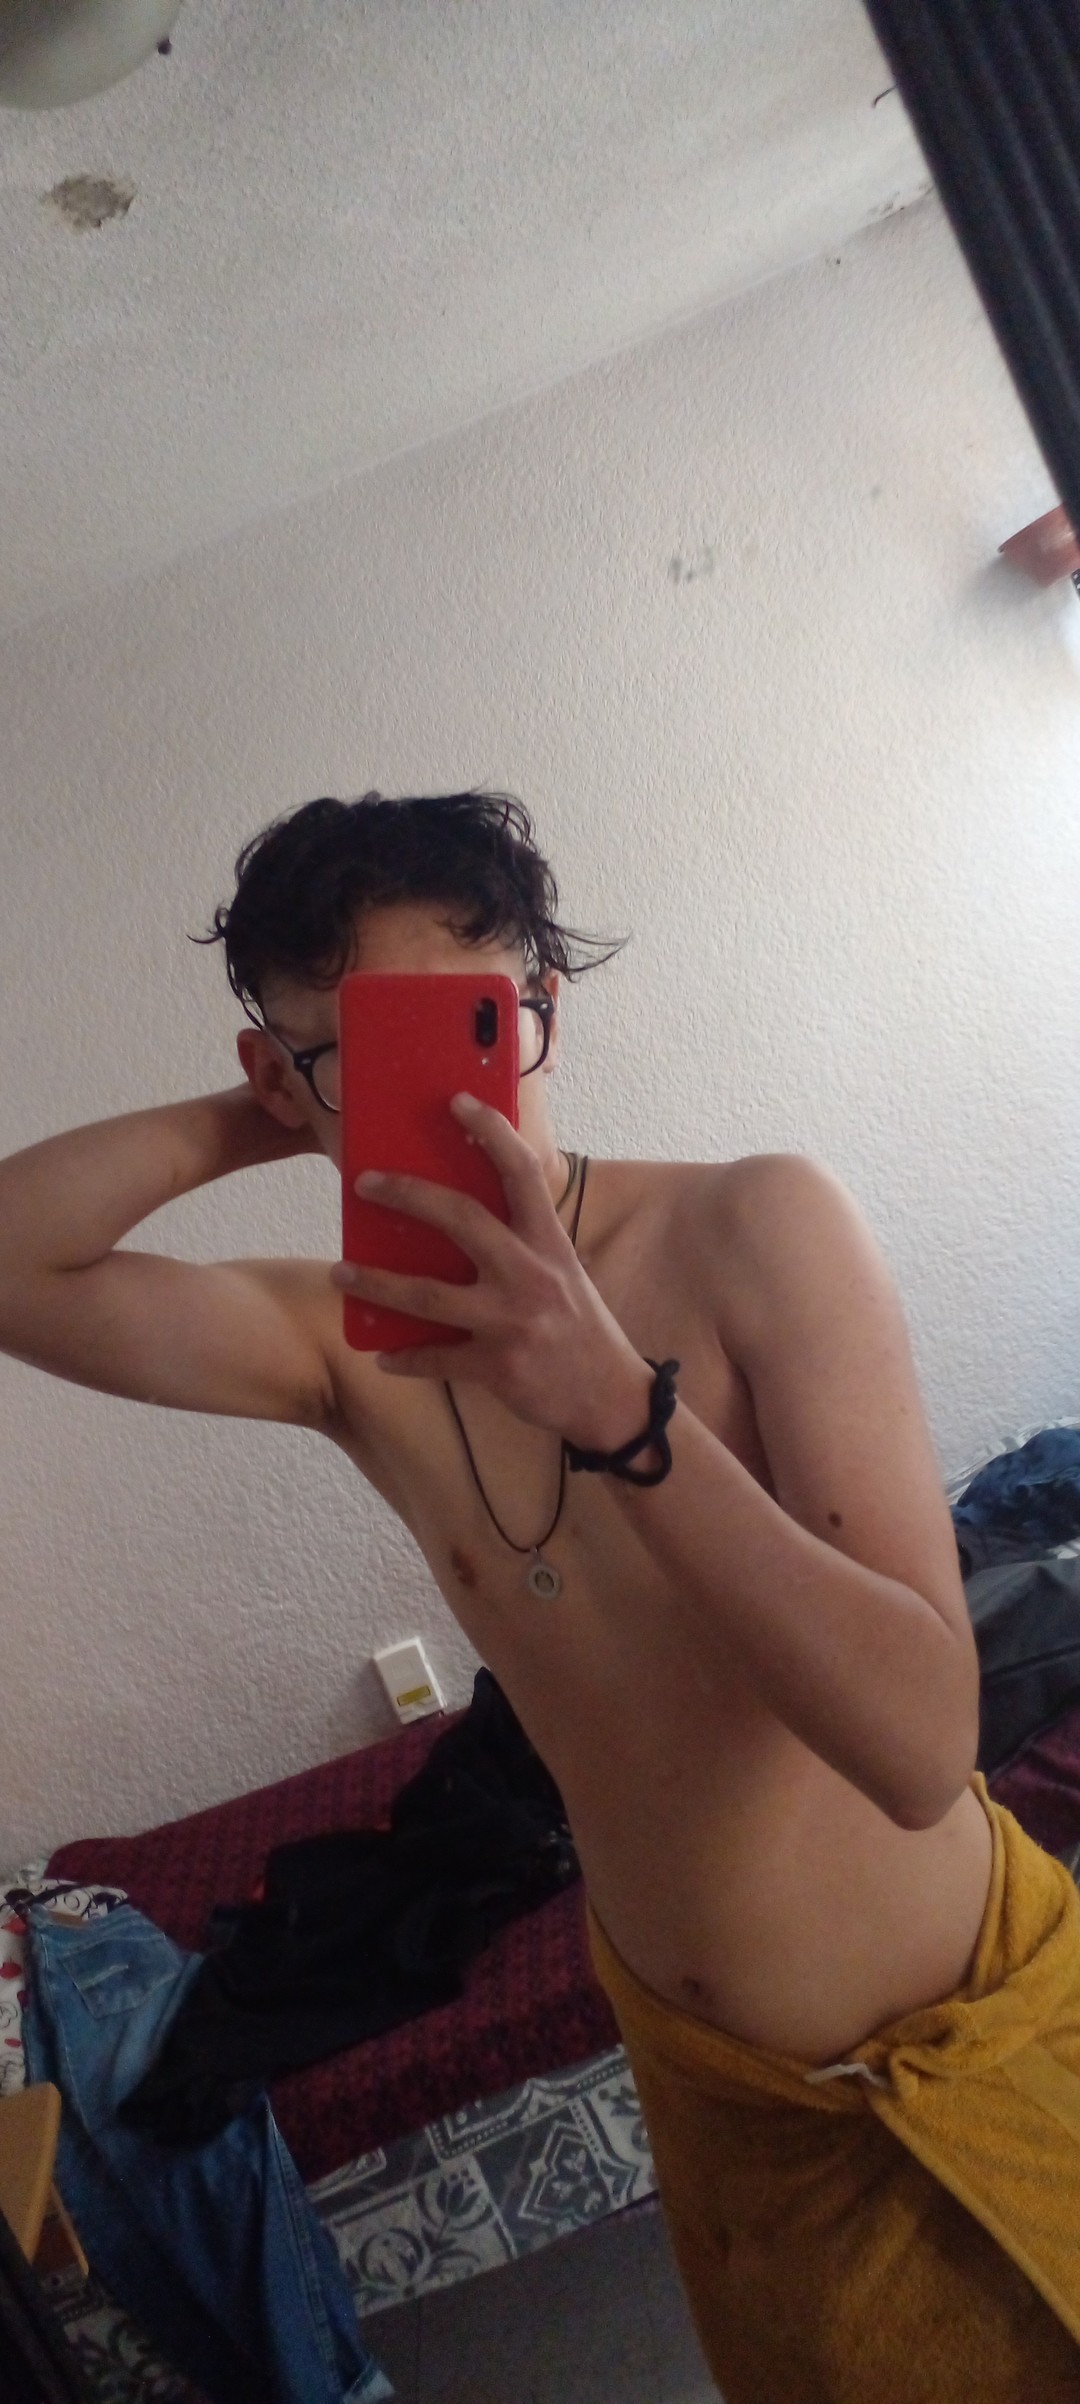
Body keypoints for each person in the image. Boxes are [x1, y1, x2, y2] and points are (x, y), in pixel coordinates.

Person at [1, 787, 1078, 2402]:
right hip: (716, 2092)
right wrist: (274, 1111)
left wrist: (625, 1413)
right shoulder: (341, 1342)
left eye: (472, 1026)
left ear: (545, 1009)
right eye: (361, 1053)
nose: (439, 1091)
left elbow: (922, 1746)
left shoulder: (755, 1225)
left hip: (968, 2028)